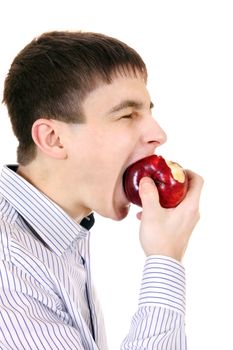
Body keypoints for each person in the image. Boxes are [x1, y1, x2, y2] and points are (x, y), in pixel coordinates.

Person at [0, 31, 203, 350]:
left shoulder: (62, 238)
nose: (158, 134)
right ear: (53, 138)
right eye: (127, 115)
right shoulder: (9, 268)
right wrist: (164, 259)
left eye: (149, 111)